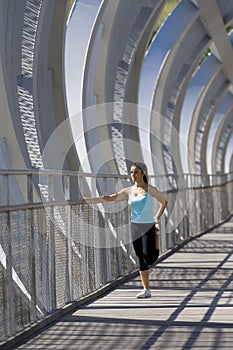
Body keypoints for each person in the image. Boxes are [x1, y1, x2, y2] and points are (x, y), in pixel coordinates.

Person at [84, 162, 168, 298]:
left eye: (136, 172)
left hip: (148, 225)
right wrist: (88, 200)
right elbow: (110, 198)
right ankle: (146, 289)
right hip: (135, 226)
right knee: (140, 257)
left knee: (150, 257)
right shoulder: (128, 191)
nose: (133, 175)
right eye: (131, 172)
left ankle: (156, 239)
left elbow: (164, 201)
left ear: (142, 174)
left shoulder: (149, 189)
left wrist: (157, 218)